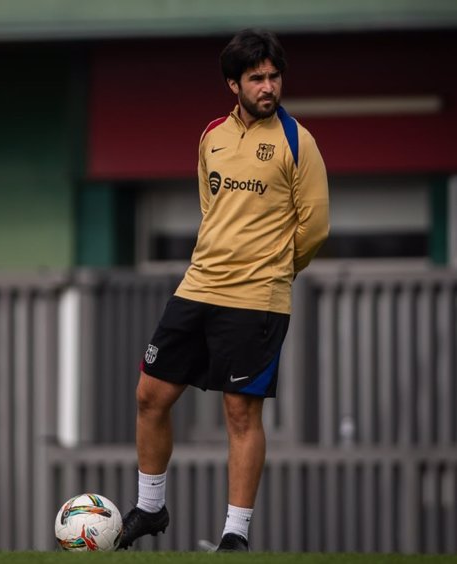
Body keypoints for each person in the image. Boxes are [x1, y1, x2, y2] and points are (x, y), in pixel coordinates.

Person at [117, 29, 329, 552]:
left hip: (256, 298)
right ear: (233, 84)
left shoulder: (298, 142)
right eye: (256, 78)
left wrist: (277, 269)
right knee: (151, 395)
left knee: (240, 412)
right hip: (198, 287)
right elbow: (210, 211)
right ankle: (150, 507)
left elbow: (315, 227)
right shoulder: (211, 134)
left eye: (274, 76)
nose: (268, 86)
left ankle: (235, 534)